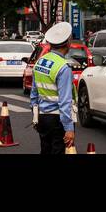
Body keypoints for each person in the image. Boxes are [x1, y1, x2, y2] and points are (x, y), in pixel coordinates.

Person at [28, 21, 76, 154]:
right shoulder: (63, 67)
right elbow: (65, 101)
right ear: (68, 43)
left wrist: (35, 116)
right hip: (57, 120)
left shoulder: (40, 62)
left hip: (43, 118)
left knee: (45, 151)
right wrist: (69, 128)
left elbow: (34, 94)